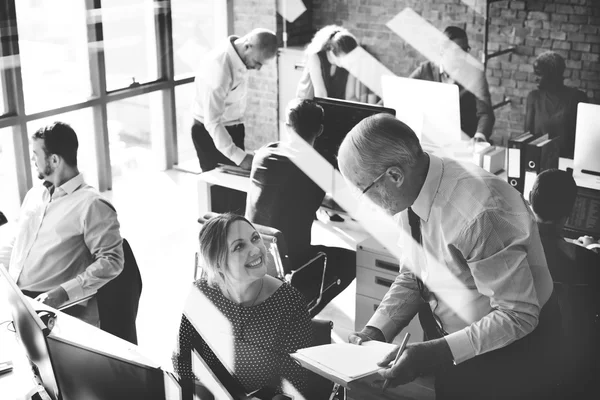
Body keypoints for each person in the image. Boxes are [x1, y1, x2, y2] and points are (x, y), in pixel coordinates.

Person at [338, 114, 560, 399]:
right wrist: (375, 331)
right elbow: (415, 274)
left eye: (362, 189)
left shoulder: (480, 212)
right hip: (459, 346)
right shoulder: (409, 193)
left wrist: (435, 352)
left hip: (515, 352)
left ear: (394, 175)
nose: (363, 203)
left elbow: (519, 315)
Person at [172, 213, 315, 399]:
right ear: (218, 264)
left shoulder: (289, 302)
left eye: (255, 238)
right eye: (239, 246)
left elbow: (294, 383)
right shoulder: (202, 293)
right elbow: (183, 360)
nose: (256, 250)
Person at [0, 122, 124, 326]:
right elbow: (21, 240)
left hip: (55, 308)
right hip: (17, 298)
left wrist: (62, 293)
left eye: (36, 154)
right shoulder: (35, 194)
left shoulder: (91, 204)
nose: (32, 159)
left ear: (54, 160)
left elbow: (112, 261)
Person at [245, 99, 356, 315]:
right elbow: (351, 202)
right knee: (352, 260)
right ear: (321, 130)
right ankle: (297, 314)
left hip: (250, 255)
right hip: (292, 261)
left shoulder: (264, 153)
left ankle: (283, 308)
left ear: (287, 127)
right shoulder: (319, 166)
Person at [529, 169, 599, 395]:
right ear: (571, 211)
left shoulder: (512, 250)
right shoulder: (587, 261)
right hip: (573, 367)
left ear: (530, 199)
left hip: (521, 356)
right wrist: (591, 249)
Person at [191, 28, 278, 172]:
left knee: (236, 190)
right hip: (211, 134)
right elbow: (212, 122)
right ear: (247, 46)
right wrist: (240, 158)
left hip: (232, 128)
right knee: (219, 190)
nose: (257, 68)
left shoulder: (239, 56)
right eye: (257, 62)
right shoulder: (219, 67)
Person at [410, 26, 495, 143]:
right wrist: (377, 110)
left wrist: (479, 136)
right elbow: (399, 92)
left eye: (465, 50)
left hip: (464, 142)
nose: (463, 55)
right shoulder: (426, 70)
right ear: (442, 50)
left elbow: (485, 113)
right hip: (429, 140)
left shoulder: (475, 75)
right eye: (457, 51)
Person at [525, 51, 589, 159]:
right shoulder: (533, 98)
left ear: (552, 74)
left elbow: (584, 141)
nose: (535, 78)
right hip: (539, 161)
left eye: (539, 74)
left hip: (568, 163)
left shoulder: (577, 98)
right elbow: (526, 138)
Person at [296, 25, 358, 100]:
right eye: (345, 57)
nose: (348, 62)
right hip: (308, 106)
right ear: (332, 49)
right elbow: (321, 95)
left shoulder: (350, 62)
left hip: (331, 107)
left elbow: (350, 96)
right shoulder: (314, 57)